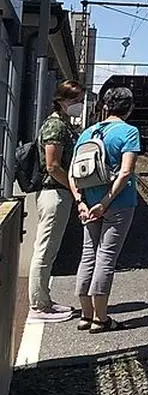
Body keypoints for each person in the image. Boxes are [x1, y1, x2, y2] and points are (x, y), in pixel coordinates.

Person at [70, 87, 142, 332]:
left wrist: (81, 201)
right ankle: (101, 318)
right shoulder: (129, 132)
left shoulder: (88, 132)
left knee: (88, 254)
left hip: (88, 203)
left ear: (105, 106)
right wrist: (106, 202)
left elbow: (73, 172)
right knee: (106, 257)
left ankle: (85, 315)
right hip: (117, 204)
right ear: (129, 108)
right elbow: (126, 172)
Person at [28, 80, 84, 323]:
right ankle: (39, 306)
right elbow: (52, 166)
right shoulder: (55, 127)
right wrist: (73, 186)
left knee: (48, 250)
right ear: (62, 100)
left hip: (55, 194)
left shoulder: (60, 124)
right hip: (54, 194)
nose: (79, 105)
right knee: (45, 250)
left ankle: (44, 300)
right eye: (76, 100)